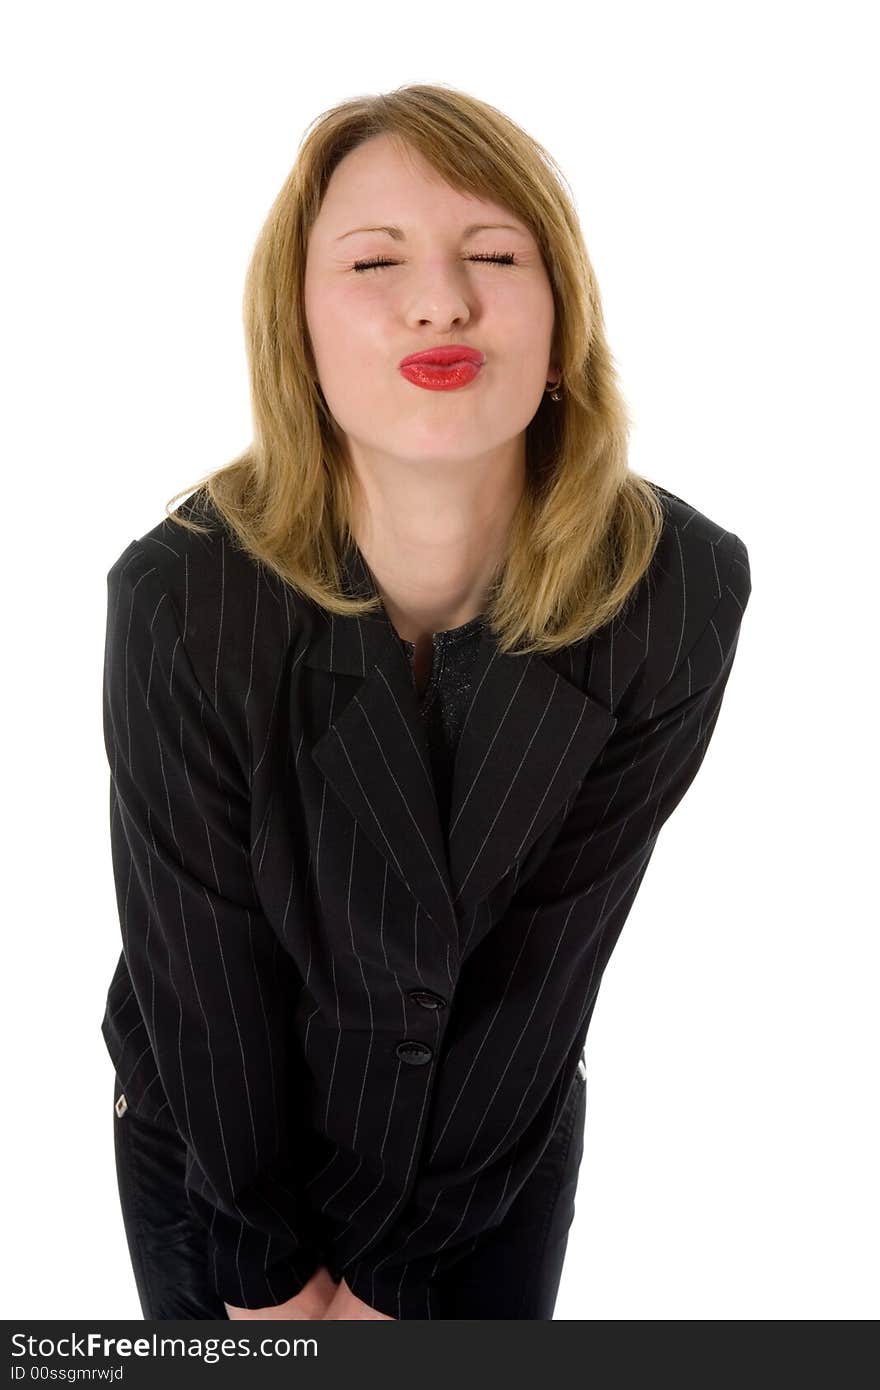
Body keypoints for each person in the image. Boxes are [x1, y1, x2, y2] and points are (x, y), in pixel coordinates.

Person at [101, 82, 752, 1322]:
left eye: (494, 254)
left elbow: (544, 966)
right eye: (375, 259)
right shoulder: (181, 594)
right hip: (221, 1148)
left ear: (560, 324)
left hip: (484, 1154)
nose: (440, 299)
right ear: (296, 329)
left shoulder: (673, 588)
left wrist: (397, 1286)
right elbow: (199, 970)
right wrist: (270, 1274)